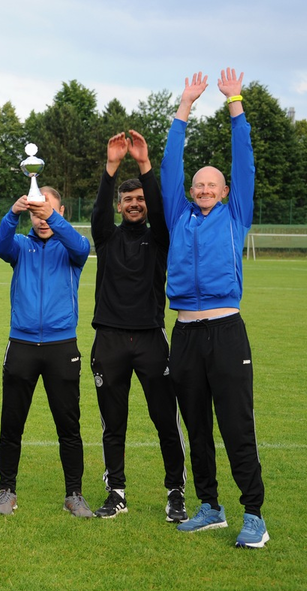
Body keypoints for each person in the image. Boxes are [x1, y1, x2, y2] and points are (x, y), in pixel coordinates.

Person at [161, 68, 269, 548]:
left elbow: (243, 162)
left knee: (235, 425)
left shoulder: (235, 213)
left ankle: (253, 515)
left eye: (212, 185)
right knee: (197, 427)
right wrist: (184, 106)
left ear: (225, 192)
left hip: (226, 332)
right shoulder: (178, 214)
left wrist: (234, 103)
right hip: (183, 334)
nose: (204, 189)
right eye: (199, 185)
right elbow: (168, 166)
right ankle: (210, 506)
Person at [89, 131, 188, 522]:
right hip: (109, 340)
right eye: (127, 200)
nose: (135, 204)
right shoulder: (107, 238)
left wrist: (145, 166)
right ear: (119, 206)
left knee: (165, 419)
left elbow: (163, 212)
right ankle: (116, 492)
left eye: (140, 199)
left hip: (150, 340)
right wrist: (111, 168)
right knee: (113, 424)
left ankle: (176, 492)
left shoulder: (160, 238)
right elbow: (97, 212)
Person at [0, 186, 93, 518]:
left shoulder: (71, 248)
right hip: (21, 345)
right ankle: (7, 491)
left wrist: (53, 217)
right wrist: (13, 213)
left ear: (61, 210)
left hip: (62, 346)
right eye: (37, 213)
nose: (42, 218)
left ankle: (74, 494)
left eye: (48, 211)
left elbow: (82, 246)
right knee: (12, 424)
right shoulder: (21, 246)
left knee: (69, 426)